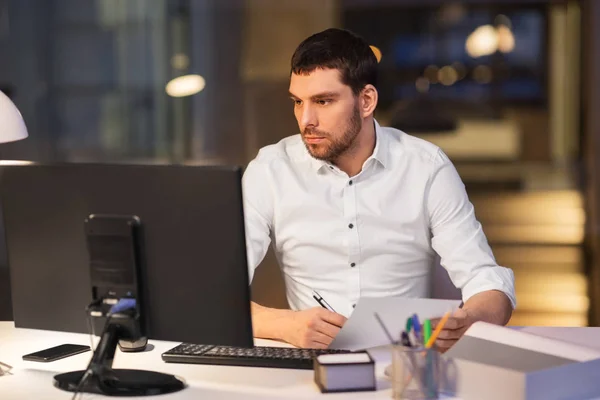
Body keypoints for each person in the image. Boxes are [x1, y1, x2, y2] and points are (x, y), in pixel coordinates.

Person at [242, 28, 516, 351]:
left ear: (367, 100)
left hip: (408, 365)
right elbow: (212, 295)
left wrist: (467, 320)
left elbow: (489, 283)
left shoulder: (426, 168)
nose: (306, 120)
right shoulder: (271, 170)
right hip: (310, 366)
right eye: (298, 102)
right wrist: (285, 325)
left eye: (323, 101)